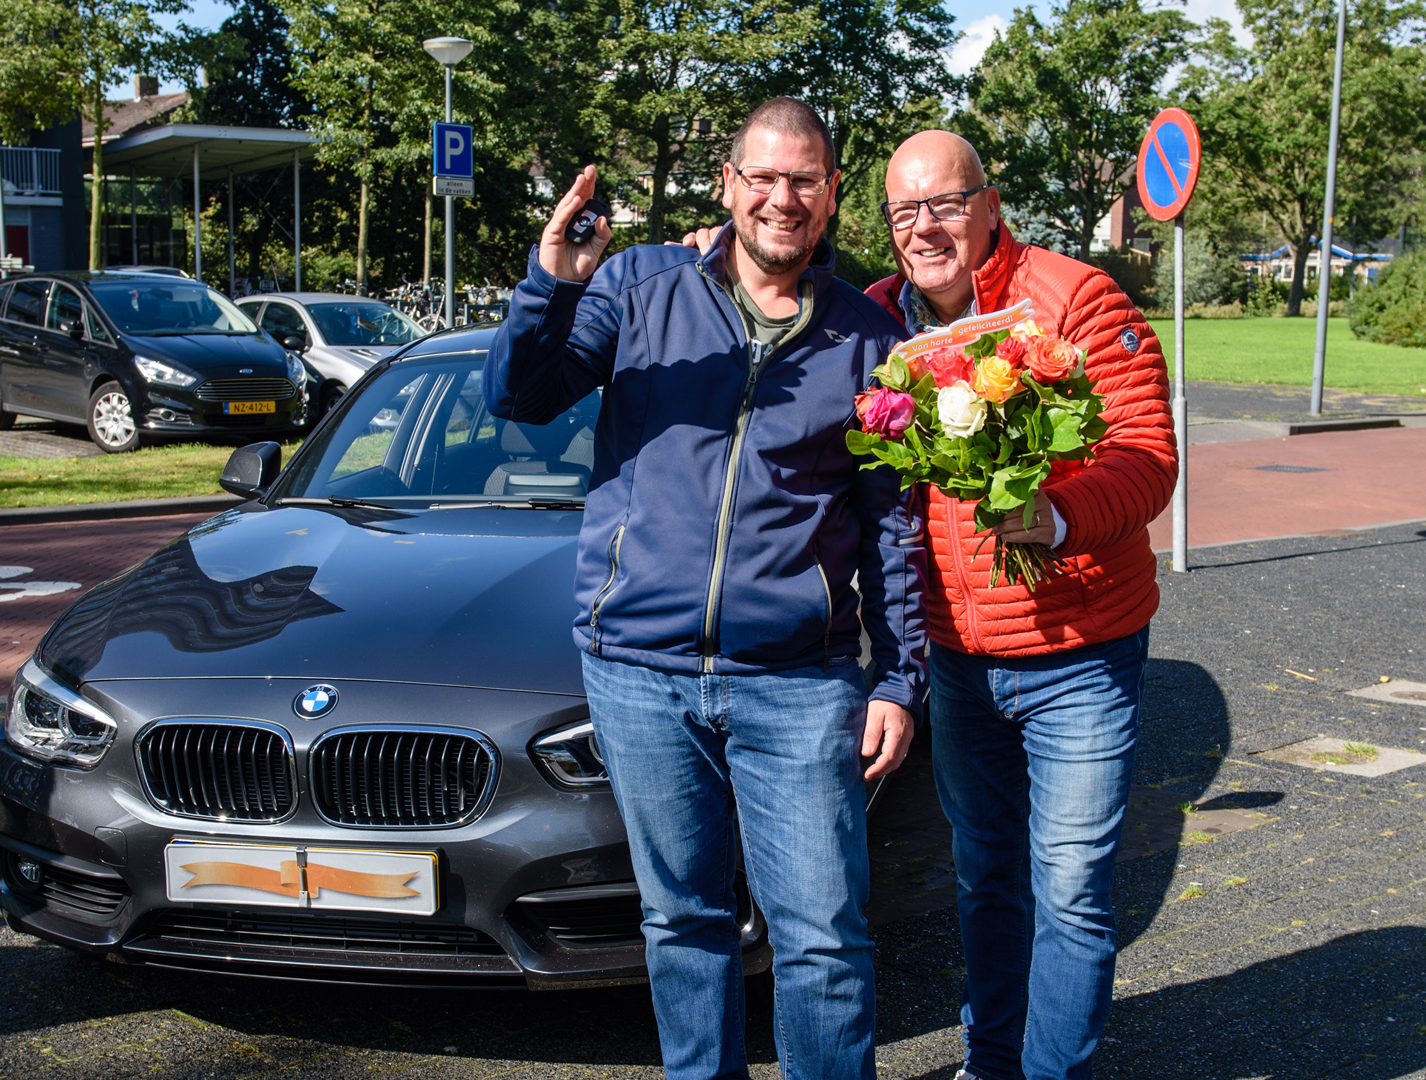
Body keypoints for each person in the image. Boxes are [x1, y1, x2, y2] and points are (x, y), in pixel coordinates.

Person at [484, 98, 927, 1080]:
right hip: (639, 671)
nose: (781, 198)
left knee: (822, 935)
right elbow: (520, 397)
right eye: (762, 177)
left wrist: (899, 680)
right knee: (684, 924)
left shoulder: (870, 340)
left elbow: (892, 522)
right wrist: (552, 281)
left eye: (803, 179)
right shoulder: (642, 285)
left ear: (832, 195)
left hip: (799, 681)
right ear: (728, 184)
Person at [866, 130, 1177, 1080]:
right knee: (985, 879)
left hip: (1081, 652)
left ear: (990, 206)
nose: (926, 227)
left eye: (947, 204)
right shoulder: (882, 323)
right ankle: (991, 1062)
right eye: (904, 211)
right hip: (960, 658)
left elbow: (1147, 456)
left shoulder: (1074, 298)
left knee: (1073, 889)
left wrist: (1058, 514)